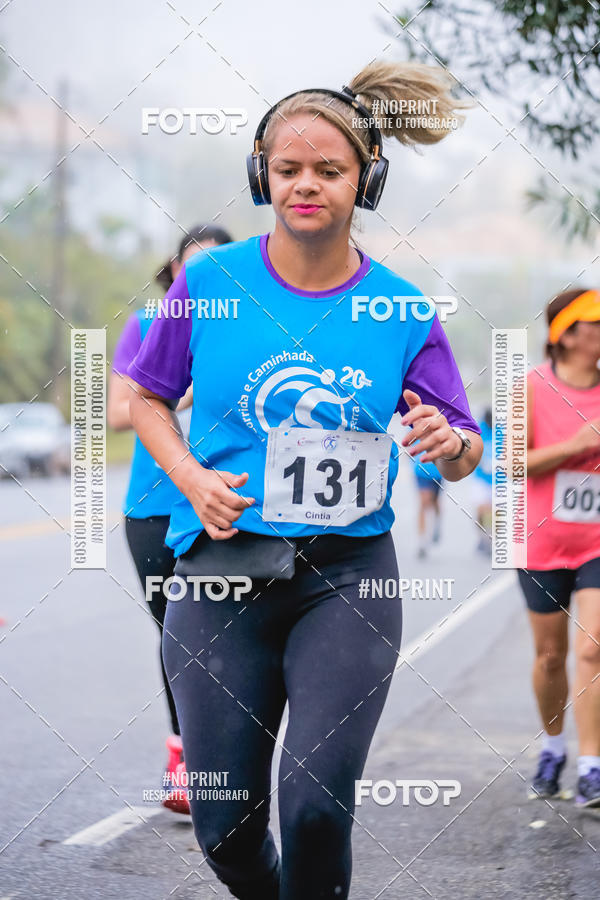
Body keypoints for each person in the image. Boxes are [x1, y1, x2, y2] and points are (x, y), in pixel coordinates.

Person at [128, 61, 483, 899]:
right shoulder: (209, 283)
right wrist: (189, 476)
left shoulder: (401, 309)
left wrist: (448, 440)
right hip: (219, 573)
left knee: (317, 807)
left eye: (330, 169)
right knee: (226, 828)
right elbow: (145, 397)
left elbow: (463, 445)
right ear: (261, 175)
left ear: (367, 180)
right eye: (288, 169)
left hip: (348, 578)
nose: (307, 185)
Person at [107, 223, 233, 814]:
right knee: (177, 638)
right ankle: (185, 760)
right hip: (156, 507)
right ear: (175, 271)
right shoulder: (146, 326)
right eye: (192, 267)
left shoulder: (248, 326)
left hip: (232, 504)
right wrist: (175, 388)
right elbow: (115, 412)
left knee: (238, 638)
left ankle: (234, 758)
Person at [519, 288, 600, 807]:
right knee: (551, 656)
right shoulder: (528, 387)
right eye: (594, 324)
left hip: (596, 540)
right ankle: (553, 748)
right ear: (566, 334)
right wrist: (572, 447)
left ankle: (592, 765)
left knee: (594, 649)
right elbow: (508, 464)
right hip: (541, 541)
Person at [472, 407, 493, 554]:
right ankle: (481, 535)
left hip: (497, 480)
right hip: (480, 478)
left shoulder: (502, 430)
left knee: (491, 510)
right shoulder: (479, 429)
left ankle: (489, 538)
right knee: (481, 510)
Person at [413, 458, 442, 558]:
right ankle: (422, 541)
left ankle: (436, 525)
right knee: (424, 502)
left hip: (438, 472)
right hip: (421, 471)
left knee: (435, 502)